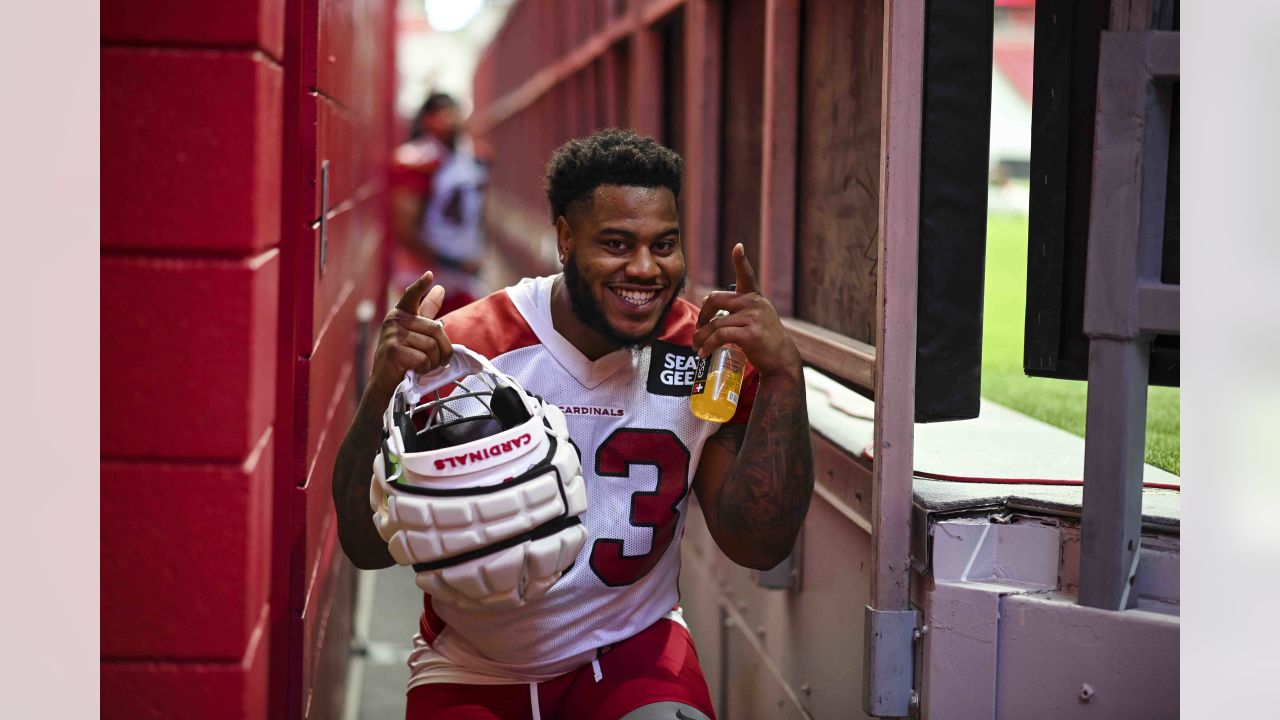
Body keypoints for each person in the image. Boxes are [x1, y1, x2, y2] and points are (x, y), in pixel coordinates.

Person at [334, 129, 814, 719]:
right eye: (616, 243)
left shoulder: (703, 357)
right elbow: (364, 545)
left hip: (632, 650)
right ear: (565, 239)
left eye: (664, 245)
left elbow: (757, 545)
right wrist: (383, 389)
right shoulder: (472, 350)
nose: (645, 268)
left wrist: (785, 375)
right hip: (474, 663)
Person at [390, 92, 489, 316]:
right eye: (440, 113)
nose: (449, 118)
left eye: (452, 111)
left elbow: (479, 214)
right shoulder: (417, 162)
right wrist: (453, 262)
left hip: (463, 277)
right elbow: (405, 229)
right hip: (425, 278)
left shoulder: (475, 158)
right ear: (427, 120)